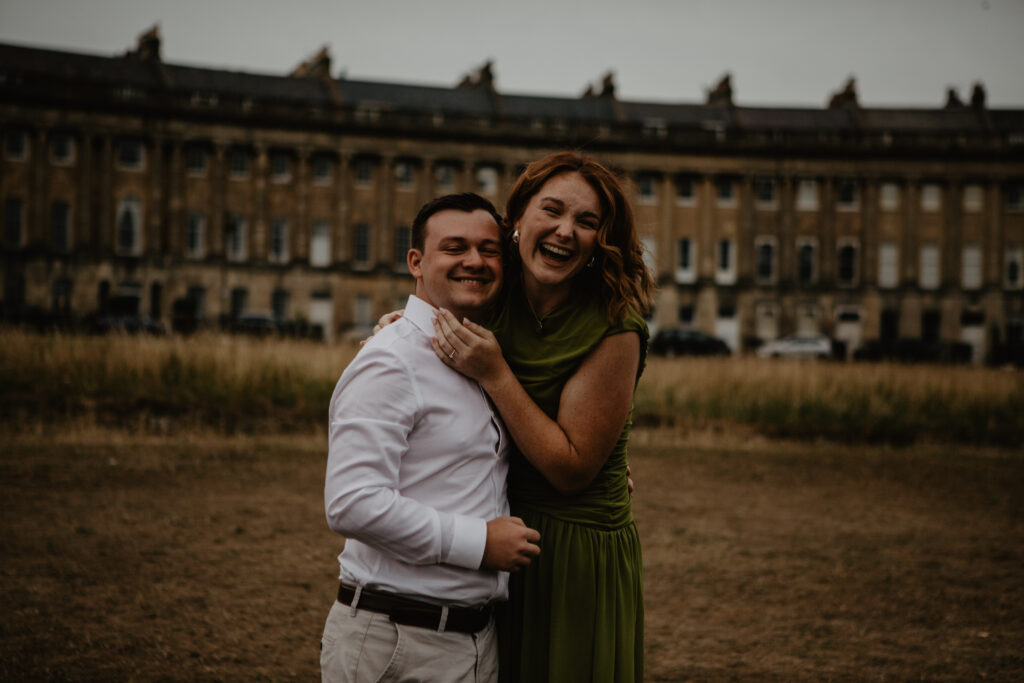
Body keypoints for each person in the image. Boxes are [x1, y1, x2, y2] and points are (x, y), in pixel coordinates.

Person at [428, 152, 655, 682]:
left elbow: (572, 467)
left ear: (603, 240)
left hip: (574, 551)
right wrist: (395, 326)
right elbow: (428, 322)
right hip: (495, 529)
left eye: (587, 222)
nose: (564, 231)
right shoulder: (491, 295)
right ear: (518, 219)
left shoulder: (613, 326)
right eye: (551, 211)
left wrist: (497, 374)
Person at [320, 193, 541, 683]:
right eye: (455, 247)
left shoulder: (481, 355)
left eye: (489, 250)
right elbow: (351, 503)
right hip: (397, 640)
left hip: (475, 640)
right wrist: (479, 542)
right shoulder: (390, 360)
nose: (475, 262)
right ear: (416, 262)